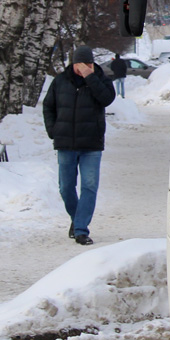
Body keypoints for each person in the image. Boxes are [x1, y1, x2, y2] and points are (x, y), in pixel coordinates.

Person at [43, 46, 116, 245]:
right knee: (66, 187)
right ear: (73, 63)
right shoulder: (60, 82)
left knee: (89, 187)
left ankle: (81, 229)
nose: (84, 67)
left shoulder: (101, 80)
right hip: (66, 143)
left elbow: (107, 99)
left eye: (88, 64)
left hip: (91, 144)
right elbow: (48, 106)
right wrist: (53, 130)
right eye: (80, 64)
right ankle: (77, 220)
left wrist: (90, 77)